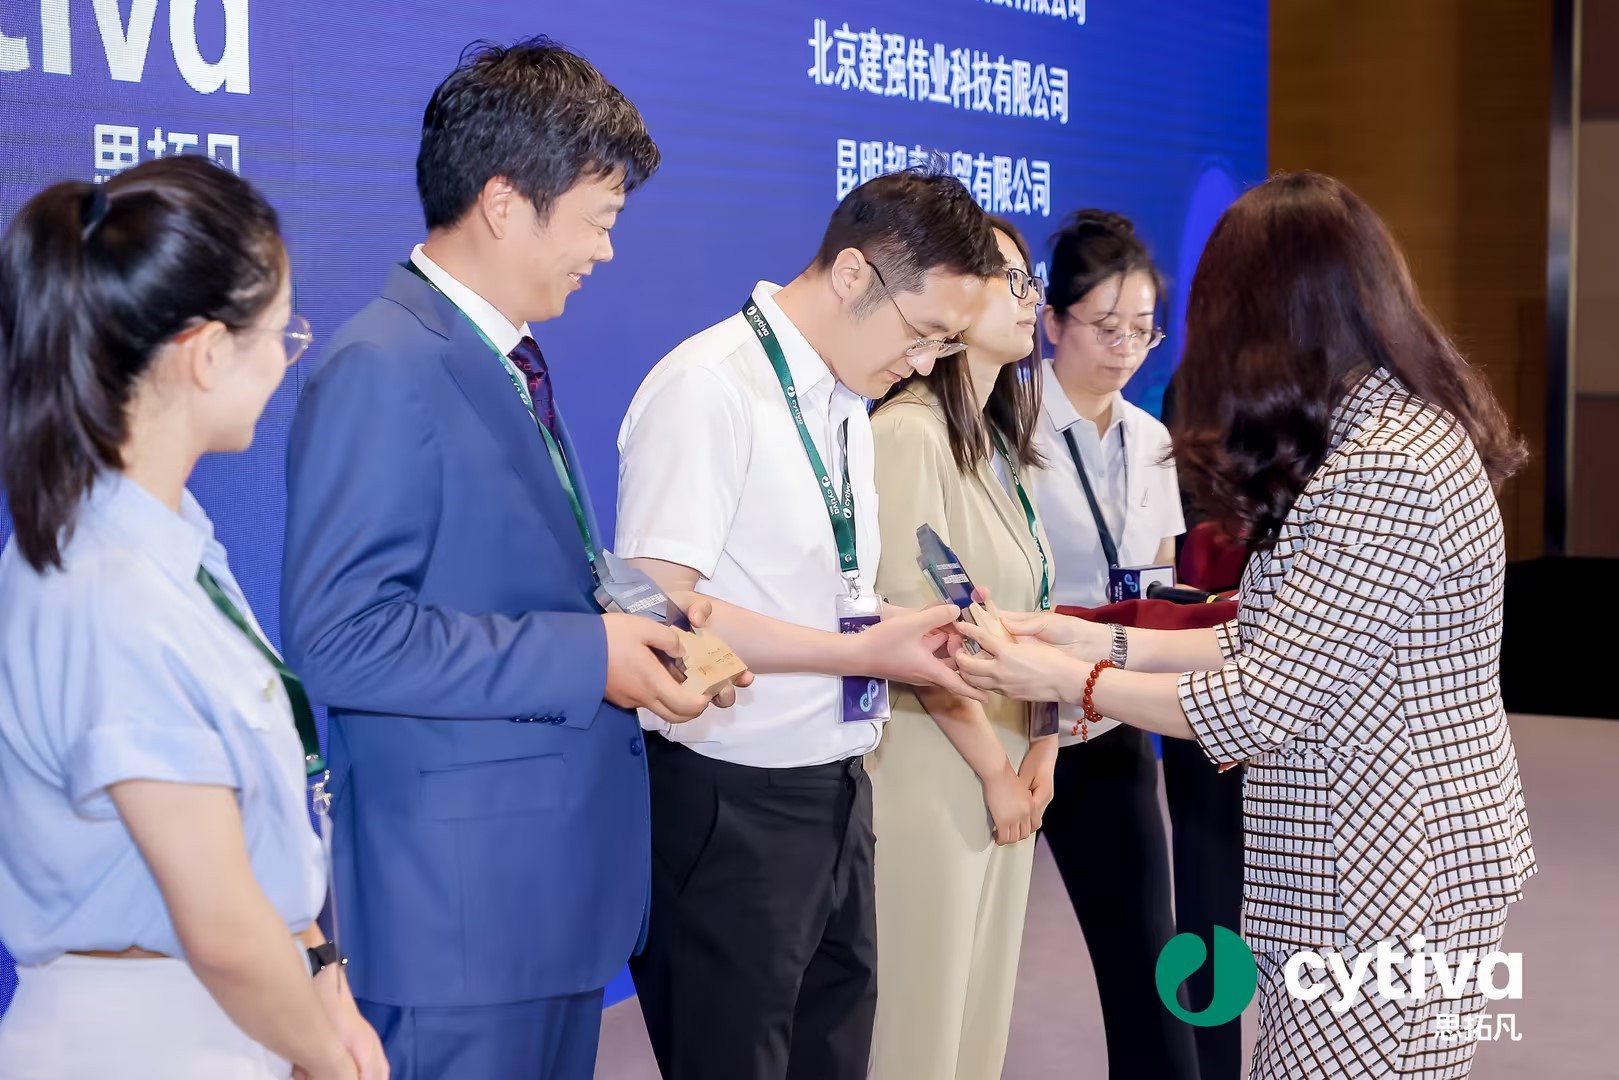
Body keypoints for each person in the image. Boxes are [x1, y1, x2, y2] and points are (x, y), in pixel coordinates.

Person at [953, 171, 1537, 1080]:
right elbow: (1275, 632)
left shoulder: (1382, 467)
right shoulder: (1383, 437)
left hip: (1386, 869)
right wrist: (1097, 639)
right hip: (1380, 862)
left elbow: (1263, 698)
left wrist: (1069, 679)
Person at [279, 38, 742, 1079]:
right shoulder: (382, 366)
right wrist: (592, 657)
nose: (606, 251)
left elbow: (511, 575)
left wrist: (643, 623)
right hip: (457, 924)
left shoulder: (500, 357)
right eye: (598, 218)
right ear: (502, 202)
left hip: (535, 905)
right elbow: (342, 641)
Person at [0, 156, 385, 1079]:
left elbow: (250, 854)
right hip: (146, 1039)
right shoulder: (108, 590)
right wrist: (326, 1058)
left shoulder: (172, 545)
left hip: (230, 1020)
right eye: (281, 331)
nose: (288, 356)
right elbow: (217, 925)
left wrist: (321, 982)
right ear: (207, 352)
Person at [614, 168, 1001, 1080]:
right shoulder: (707, 387)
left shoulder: (844, 405)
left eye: (945, 345)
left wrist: (907, 630)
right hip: (730, 804)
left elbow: (812, 594)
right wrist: (858, 650)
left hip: (837, 791)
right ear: (854, 274)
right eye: (922, 333)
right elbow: (659, 611)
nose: (925, 364)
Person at [1025, 210, 1243, 1080]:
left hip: (1105, 720)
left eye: (1142, 331)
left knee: (1146, 967)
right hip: (1005, 718)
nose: (1124, 350)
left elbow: (1152, 587)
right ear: (1051, 323)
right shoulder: (1001, 429)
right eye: (1104, 327)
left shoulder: (1152, 440)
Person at [864, 217, 1056, 1080]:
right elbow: (917, 627)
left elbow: (1029, 613)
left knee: (975, 1027)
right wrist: (993, 771)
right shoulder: (907, 432)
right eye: (1008, 280)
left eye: (1029, 281)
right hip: (936, 769)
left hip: (1007, 766)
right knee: (920, 1027)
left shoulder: (997, 444)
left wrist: (1042, 744)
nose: (1028, 299)